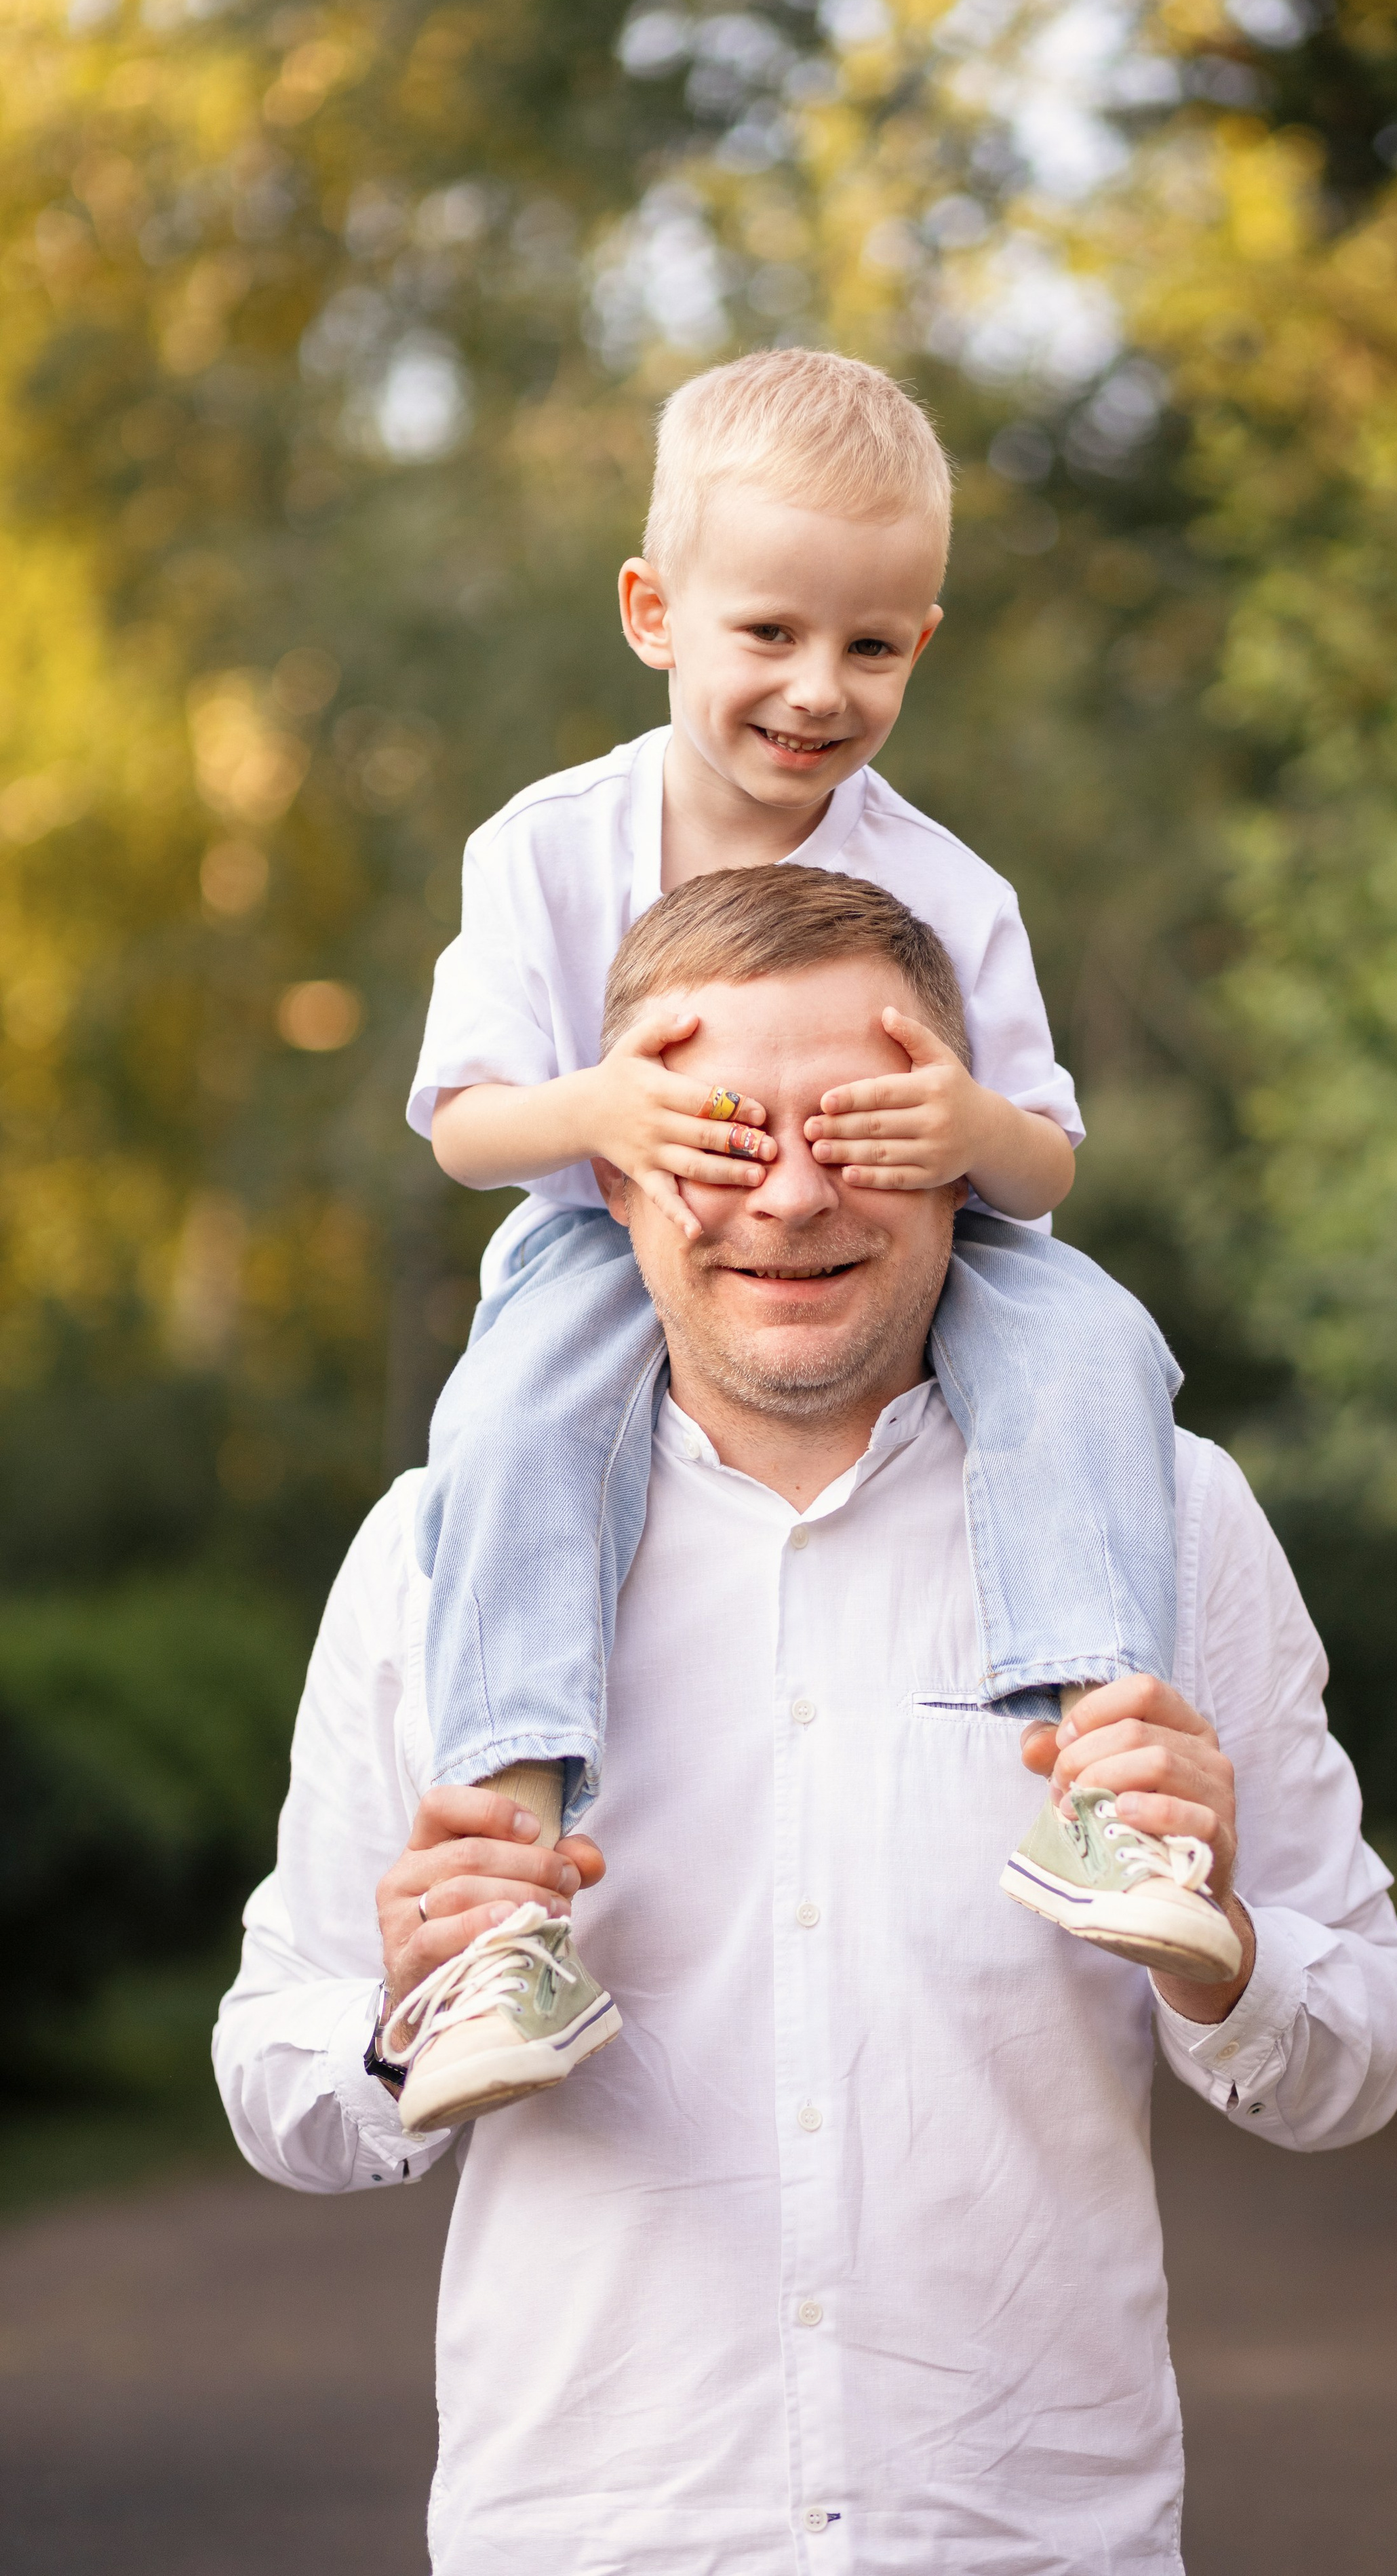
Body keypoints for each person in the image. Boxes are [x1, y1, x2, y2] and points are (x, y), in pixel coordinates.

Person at [214, 870, 1397, 2576]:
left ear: (962, 1155)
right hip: (588, 2535)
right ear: (613, 1177)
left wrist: (1222, 1947)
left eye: (858, 1132)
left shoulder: (1169, 1521)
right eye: (719, 1139)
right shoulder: (439, 1557)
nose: (786, 1198)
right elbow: (276, 2074)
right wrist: (395, 2027)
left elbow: (1355, 2051)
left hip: (1028, 2537)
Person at [398, 349, 1202, 2130]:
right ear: (652, 613)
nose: (817, 689)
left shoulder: (951, 889)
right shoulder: (549, 850)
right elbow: (466, 1127)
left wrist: (965, 1132)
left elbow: (1046, 1160)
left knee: (1095, 1344)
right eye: (768, 634)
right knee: (514, 1413)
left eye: (873, 646)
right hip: (615, 1237)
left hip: (919, 1247)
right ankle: (506, 1881)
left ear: (924, 637)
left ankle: (1104, 1775)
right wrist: (599, 1112)